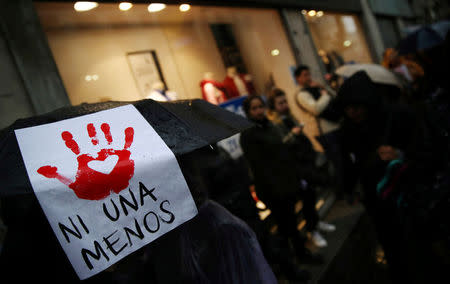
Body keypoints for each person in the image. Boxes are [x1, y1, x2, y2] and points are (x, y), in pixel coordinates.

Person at [240, 95, 326, 269]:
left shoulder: (270, 125)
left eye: (260, 107)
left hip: (286, 183)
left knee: (291, 224)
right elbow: (260, 166)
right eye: (254, 108)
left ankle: (301, 255)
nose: (259, 111)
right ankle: (292, 263)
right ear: (248, 112)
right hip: (272, 188)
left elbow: (282, 150)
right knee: (285, 227)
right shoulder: (249, 133)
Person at [267, 89, 336, 247]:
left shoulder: (289, 117)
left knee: (311, 196)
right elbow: (281, 146)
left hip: (306, 162)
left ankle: (316, 223)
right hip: (296, 168)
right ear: (273, 106)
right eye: (280, 103)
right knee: (306, 199)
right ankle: (312, 230)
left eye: (285, 101)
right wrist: (293, 134)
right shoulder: (275, 124)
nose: (284, 105)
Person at [294, 65, 339, 152]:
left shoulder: (314, 88)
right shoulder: (301, 94)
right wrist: (325, 95)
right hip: (324, 132)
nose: (309, 77)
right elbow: (316, 109)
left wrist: (322, 87)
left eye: (309, 74)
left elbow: (334, 96)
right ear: (297, 78)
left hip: (334, 126)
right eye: (305, 75)